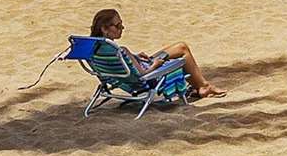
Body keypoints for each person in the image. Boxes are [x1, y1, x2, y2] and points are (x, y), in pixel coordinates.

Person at [89, 5, 220, 96]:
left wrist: (135, 57)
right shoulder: (119, 50)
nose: (122, 28)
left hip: (125, 78)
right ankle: (203, 87)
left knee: (181, 47)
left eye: (121, 24)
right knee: (182, 50)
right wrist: (156, 65)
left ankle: (202, 86)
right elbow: (142, 75)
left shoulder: (93, 48)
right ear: (104, 29)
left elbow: (119, 66)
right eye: (118, 26)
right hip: (147, 78)